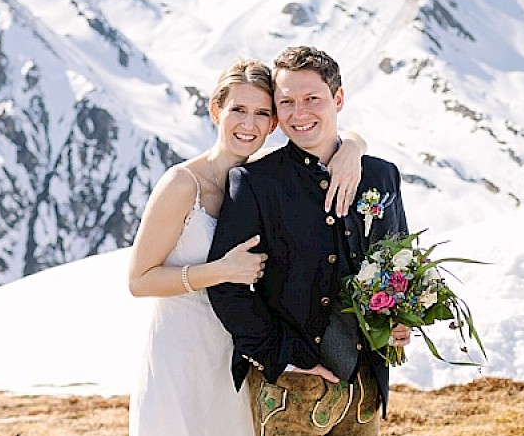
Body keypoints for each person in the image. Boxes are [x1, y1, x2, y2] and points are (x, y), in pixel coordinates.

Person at [127, 58, 369, 436]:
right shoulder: (181, 184)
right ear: (215, 110)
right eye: (238, 109)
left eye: (262, 113)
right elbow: (139, 280)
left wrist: (353, 147)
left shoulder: (259, 180)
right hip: (182, 350)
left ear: (274, 123)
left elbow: (339, 133)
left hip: (239, 352)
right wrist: (219, 271)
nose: (249, 124)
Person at [207, 46, 411, 436]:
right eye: (287, 102)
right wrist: (282, 359)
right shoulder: (254, 183)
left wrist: (398, 322)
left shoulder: (382, 177)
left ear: (338, 98)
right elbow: (228, 287)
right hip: (289, 390)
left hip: (365, 383)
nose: (299, 114)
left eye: (311, 99)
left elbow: (399, 261)